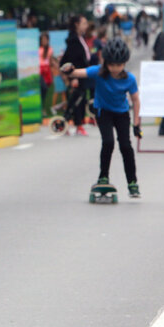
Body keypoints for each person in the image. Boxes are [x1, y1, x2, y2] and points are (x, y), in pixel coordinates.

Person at [60, 36, 141, 198]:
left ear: (125, 63)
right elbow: (78, 72)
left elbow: (135, 99)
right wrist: (68, 70)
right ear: (106, 62)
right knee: (108, 142)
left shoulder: (129, 79)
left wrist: (137, 124)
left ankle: (132, 182)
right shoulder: (98, 72)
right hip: (103, 111)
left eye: (119, 65)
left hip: (122, 113)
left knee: (126, 146)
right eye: (112, 65)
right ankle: (103, 176)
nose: (115, 69)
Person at [59, 14, 93, 135]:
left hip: (83, 73)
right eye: (84, 23)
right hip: (77, 75)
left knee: (81, 99)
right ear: (76, 25)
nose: (86, 26)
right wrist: (73, 77)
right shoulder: (73, 40)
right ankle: (70, 123)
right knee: (76, 100)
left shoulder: (80, 38)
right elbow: (72, 60)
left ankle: (77, 124)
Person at [38, 32, 56, 118]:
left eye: (45, 39)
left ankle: (43, 107)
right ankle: (41, 108)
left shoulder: (50, 49)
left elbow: (51, 60)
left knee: (45, 90)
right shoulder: (38, 49)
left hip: (47, 71)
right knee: (43, 87)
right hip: (40, 70)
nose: (44, 41)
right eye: (42, 39)